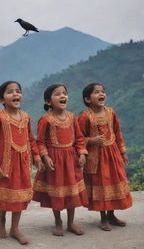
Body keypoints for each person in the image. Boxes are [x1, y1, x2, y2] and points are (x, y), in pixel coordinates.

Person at [0, 81, 43, 245]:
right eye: (10, 92)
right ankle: (2, 220)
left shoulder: (26, 117)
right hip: (5, 165)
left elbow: (31, 139)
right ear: (1, 100)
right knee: (5, 196)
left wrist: (37, 157)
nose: (15, 94)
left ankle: (15, 228)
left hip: (22, 165)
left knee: (19, 196)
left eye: (18, 91)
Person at [33, 83, 88, 236]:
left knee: (72, 191)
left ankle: (71, 223)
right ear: (48, 102)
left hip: (71, 160)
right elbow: (41, 142)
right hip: (54, 161)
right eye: (58, 94)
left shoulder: (72, 117)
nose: (63, 96)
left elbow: (79, 138)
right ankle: (58, 222)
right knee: (56, 191)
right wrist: (45, 156)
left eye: (64, 93)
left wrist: (82, 153)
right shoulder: (46, 120)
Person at [78, 82, 132, 231]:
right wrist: (92, 140)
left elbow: (117, 133)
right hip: (96, 158)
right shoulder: (85, 117)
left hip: (112, 154)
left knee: (114, 183)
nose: (101, 94)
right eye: (96, 92)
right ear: (88, 99)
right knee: (101, 185)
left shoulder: (111, 113)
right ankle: (103, 218)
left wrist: (123, 151)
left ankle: (112, 215)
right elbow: (78, 138)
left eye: (102, 91)